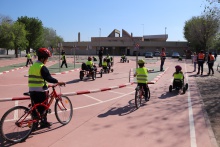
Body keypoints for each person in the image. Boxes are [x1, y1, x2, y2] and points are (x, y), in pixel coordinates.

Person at [28, 48, 65, 129]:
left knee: (35, 107)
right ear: (42, 58)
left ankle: (35, 123)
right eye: (47, 58)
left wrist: (46, 84)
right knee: (43, 107)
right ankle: (43, 122)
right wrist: (58, 82)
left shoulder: (33, 66)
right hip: (41, 91)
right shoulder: (42, 67)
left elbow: (38, 78)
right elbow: (48, 78)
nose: (47, 60)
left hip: (31, 90)